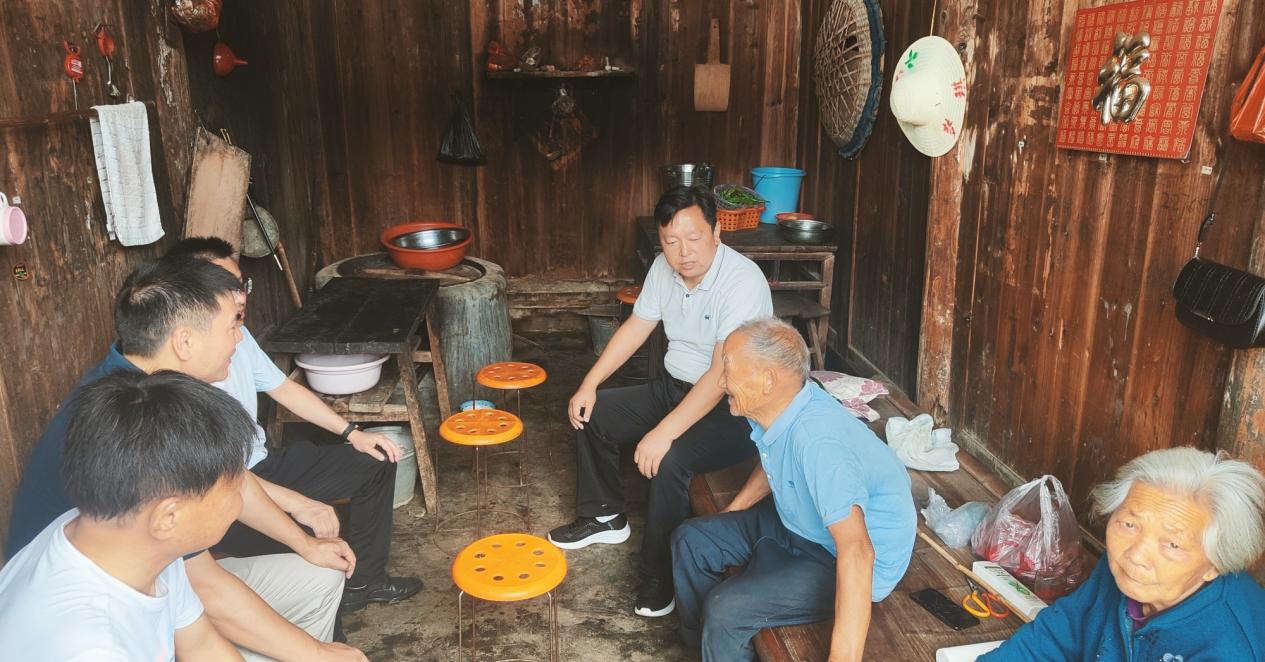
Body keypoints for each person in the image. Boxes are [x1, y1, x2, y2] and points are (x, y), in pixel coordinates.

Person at [5, 258, 365, 661]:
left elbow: (228, 479)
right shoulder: (135, 426)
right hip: (97, 594)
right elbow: (207, 587)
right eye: (232, 325)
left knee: (317, 576)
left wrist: (303, 540)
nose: (240, 339)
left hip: (138, 578)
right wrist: (316, 653)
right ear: (185, 342)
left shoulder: (147, 392)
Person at [547, 185, 774, 617]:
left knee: (670, 459)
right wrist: (589, 383)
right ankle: (604, 516)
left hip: (734, 409)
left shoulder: (742, 282)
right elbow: (637, 326)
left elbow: (720, 375)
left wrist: (663, 432)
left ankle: (660, 577)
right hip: (673, 388)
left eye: (694, 238)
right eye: (671, 241)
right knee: (594, 413)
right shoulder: (662, 269)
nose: (683, 252)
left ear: (717, 232)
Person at [163, 237, 420, 612]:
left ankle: (365, 584)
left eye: (241, 282)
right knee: (318, 555)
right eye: (228, 286)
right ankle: (329, 614)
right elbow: (227, 481)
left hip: (263, 463)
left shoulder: (238, 336)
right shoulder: (177, 377)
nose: (241, 295)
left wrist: (353, 433)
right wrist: (301, 509)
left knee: (377, 460)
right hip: (228, 496)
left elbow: (283, 388)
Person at [671, 317, 916, 662]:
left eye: (728, 369)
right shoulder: (784, 404)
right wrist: (731, 516)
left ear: (768, 379)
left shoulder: (818, 442)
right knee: (692, 540)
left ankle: (718, 640)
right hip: (803, 524)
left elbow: (858, 552)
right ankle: (702, 649)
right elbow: (776, 455)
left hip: (842, 558)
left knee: (725, 611)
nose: (721, 381)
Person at [0, 371, 275, 660]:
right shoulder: (91, 648)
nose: (241, 500)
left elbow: (201, 646)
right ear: (169, 517)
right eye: (234, 488)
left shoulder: (127, 538)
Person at [980, 447, 1265, 661]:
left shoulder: (1230, 649)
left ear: (1214, 565)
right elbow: (1060, 632)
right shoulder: (1124, 569)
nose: (1136, 554)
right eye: (1129, 524)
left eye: (1172, 544)